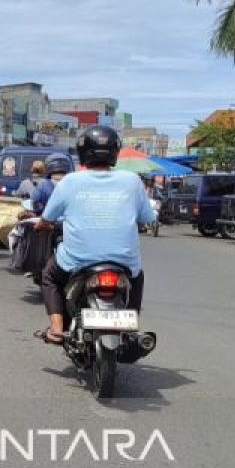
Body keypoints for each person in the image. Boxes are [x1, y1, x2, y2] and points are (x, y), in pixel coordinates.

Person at [34, 125, 156, 344]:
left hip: (77, 260)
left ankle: (56, 327)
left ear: (82, 153)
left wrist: (42, 225)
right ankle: (131, 328)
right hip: (124, 262)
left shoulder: (69, 181)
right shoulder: (133, 181)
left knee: (49, 276)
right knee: (137, 278)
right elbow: (148, 219)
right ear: (114, 152)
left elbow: (47, 218)